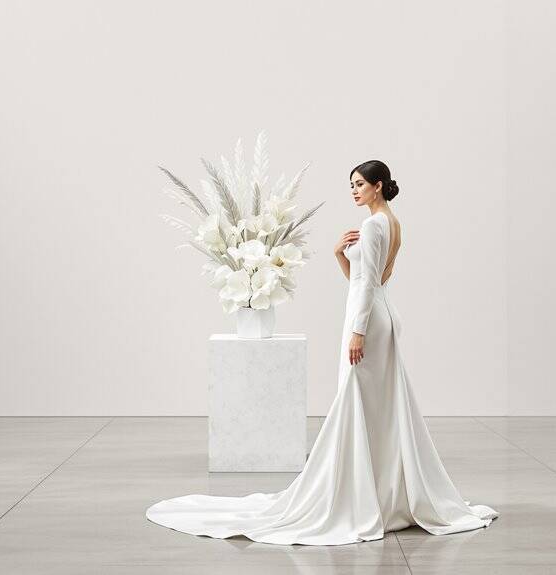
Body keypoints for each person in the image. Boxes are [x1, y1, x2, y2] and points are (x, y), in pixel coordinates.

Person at [145, 160, 499, 545]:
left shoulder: (373, 224)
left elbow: (367, 287)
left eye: (360, 184)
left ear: (379, 186)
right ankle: (382, 493)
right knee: (377, 406)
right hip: (381, 315)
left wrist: (357, 332)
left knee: (359, 401)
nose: (354, 190)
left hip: (368, 322)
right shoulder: (393, 224)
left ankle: (361, 497)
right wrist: (339, 256)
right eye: (351, 185)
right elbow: (374, 280)